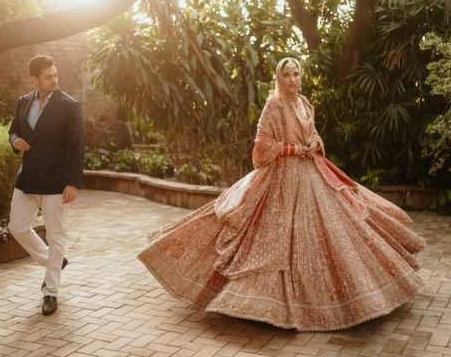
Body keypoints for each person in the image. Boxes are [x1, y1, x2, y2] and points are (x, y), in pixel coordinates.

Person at [138, 57, 425, 331]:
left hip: (312, 174)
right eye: (286, 75)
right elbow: (262, 145)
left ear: (301, 77)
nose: (291, 80)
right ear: (279, 77)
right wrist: (295, 149)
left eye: (296, 74)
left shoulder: (304, 103)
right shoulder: (273, 105)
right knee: (271, 235)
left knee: (334, 227)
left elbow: (313, 133)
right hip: (281, 176)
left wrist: (314, 143)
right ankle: (258, 304)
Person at [8, 55, 84, 316]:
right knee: (16, 227)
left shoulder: (69, 106)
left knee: (56, 236)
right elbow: (13, 129)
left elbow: (77, 146)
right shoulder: (23, 101)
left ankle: (50, 292)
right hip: (28, 177)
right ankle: (54, 260)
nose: (54, 80)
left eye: (55, 74)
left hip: (56, 181)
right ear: (35, 79)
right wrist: (14, 140)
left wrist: (73, 182)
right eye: (48, 76)